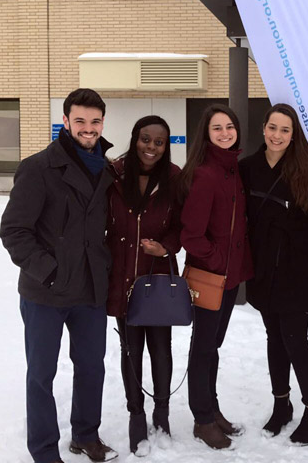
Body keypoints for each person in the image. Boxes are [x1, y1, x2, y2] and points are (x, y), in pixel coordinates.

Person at [0, 89, 117, 463]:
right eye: (79, 120)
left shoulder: (109, 169)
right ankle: (45, 449)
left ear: (102, 123)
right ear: (65, 122)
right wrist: (47, 271)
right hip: (45, 292)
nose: (88, 128)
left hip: (90, 289)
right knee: (41, 374)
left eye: (94, 121)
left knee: (91, 368)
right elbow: (14, 231)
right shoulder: (38, 168)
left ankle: (85, 434)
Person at [239, 103, 308, 445]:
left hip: (296, 269)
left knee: (295, 340)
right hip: (261, 269)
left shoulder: (307, 169)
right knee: (274, 338)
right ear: (263, 129)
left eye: (285, 130)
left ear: (294, 134)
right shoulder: (247, 169)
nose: (277, 135)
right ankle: (281, 404)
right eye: (273, 128)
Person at [178, 104, 254, 450]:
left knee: (213, 347)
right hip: (210, 279)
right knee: (204, 347)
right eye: (217, 129)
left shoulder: (232, 169)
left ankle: (212, 408)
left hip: (230, 278)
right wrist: (219, 259)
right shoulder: (206, 174)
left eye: (229, 127)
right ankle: (202, 419)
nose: (225, 133)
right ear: (206, 135)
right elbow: (191, 236)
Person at [106, 115, 181, 456]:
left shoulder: (175, 178)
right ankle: (136, 416)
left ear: (166, 146)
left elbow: (183, 226)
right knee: (130, 350)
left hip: (156, 277)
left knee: (161, 348)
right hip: (123, 276)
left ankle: (161, 413)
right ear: (135, 138)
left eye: (159, 142)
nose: (151, 147)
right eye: (145, 139)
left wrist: (167, 245)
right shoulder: (114, 173)